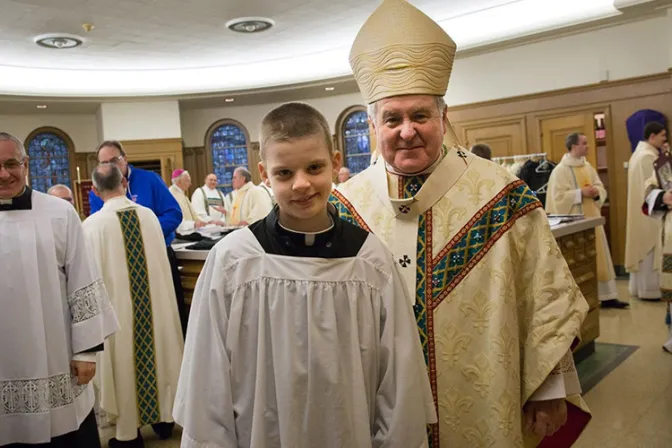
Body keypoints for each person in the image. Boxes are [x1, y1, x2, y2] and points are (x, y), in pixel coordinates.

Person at [330, 1, 591, 446]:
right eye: (392, 118)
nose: (406, 130)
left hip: (483, 400)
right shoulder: (343, 206)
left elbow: (543, 296)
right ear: (374, 125)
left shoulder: (500, 194)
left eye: (420, 116)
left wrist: (548, 390)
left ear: (444, 118)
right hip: (375, 404)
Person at [173, 102, 435, 448]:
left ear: (335, 163)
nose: (301, 184)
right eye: (284, 173)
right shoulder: (234, 261)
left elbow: (398, 385)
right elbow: (207, 382)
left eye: (314, 167)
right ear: (264, 174)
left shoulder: (370, 262)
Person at [0, 132, 119, 447]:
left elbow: (83, 280)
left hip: (54, 354)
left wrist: (86, 352)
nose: (3, 173)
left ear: (25, 165)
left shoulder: (59, 212)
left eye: (11, 163)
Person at [83, 165, 184, 447]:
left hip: (119, 315)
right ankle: (165, 420)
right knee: (162, 354)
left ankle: (128, 433)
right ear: (124, 182)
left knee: (123, 361)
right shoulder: (149, 216)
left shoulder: (91, 226)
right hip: (157, 312)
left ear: (93, 189)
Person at [89, 141, 187, 335]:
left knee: (165, 315)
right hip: (119, 262)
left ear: (124, 158)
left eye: (114, 160)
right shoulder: (99, 188)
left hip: (156, 256)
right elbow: (101, 223)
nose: (109, 166)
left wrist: (140, 232)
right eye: (104, 162)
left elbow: (173, 213)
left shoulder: (149, 179)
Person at [546, 133, 629, 309]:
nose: (588, 146)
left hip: (592, 217)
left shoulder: (587, 167)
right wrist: (579, 193)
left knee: (601, 257)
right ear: (574, 147)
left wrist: (596, 192)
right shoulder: (560, 171)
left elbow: (599, 186)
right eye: (584, 143)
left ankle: (608, 296)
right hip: (575, 224)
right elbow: (557, 199)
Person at [626, 121, 667, 301]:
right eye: (663, 135)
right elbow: (664, 182)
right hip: (649, 212)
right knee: (650, 248)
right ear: (652, 136)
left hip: (640, 211)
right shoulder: (648, 157)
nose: (665, 139)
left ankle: (641, 288)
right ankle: (651, 290)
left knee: (644, 249)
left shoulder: (638, 154)